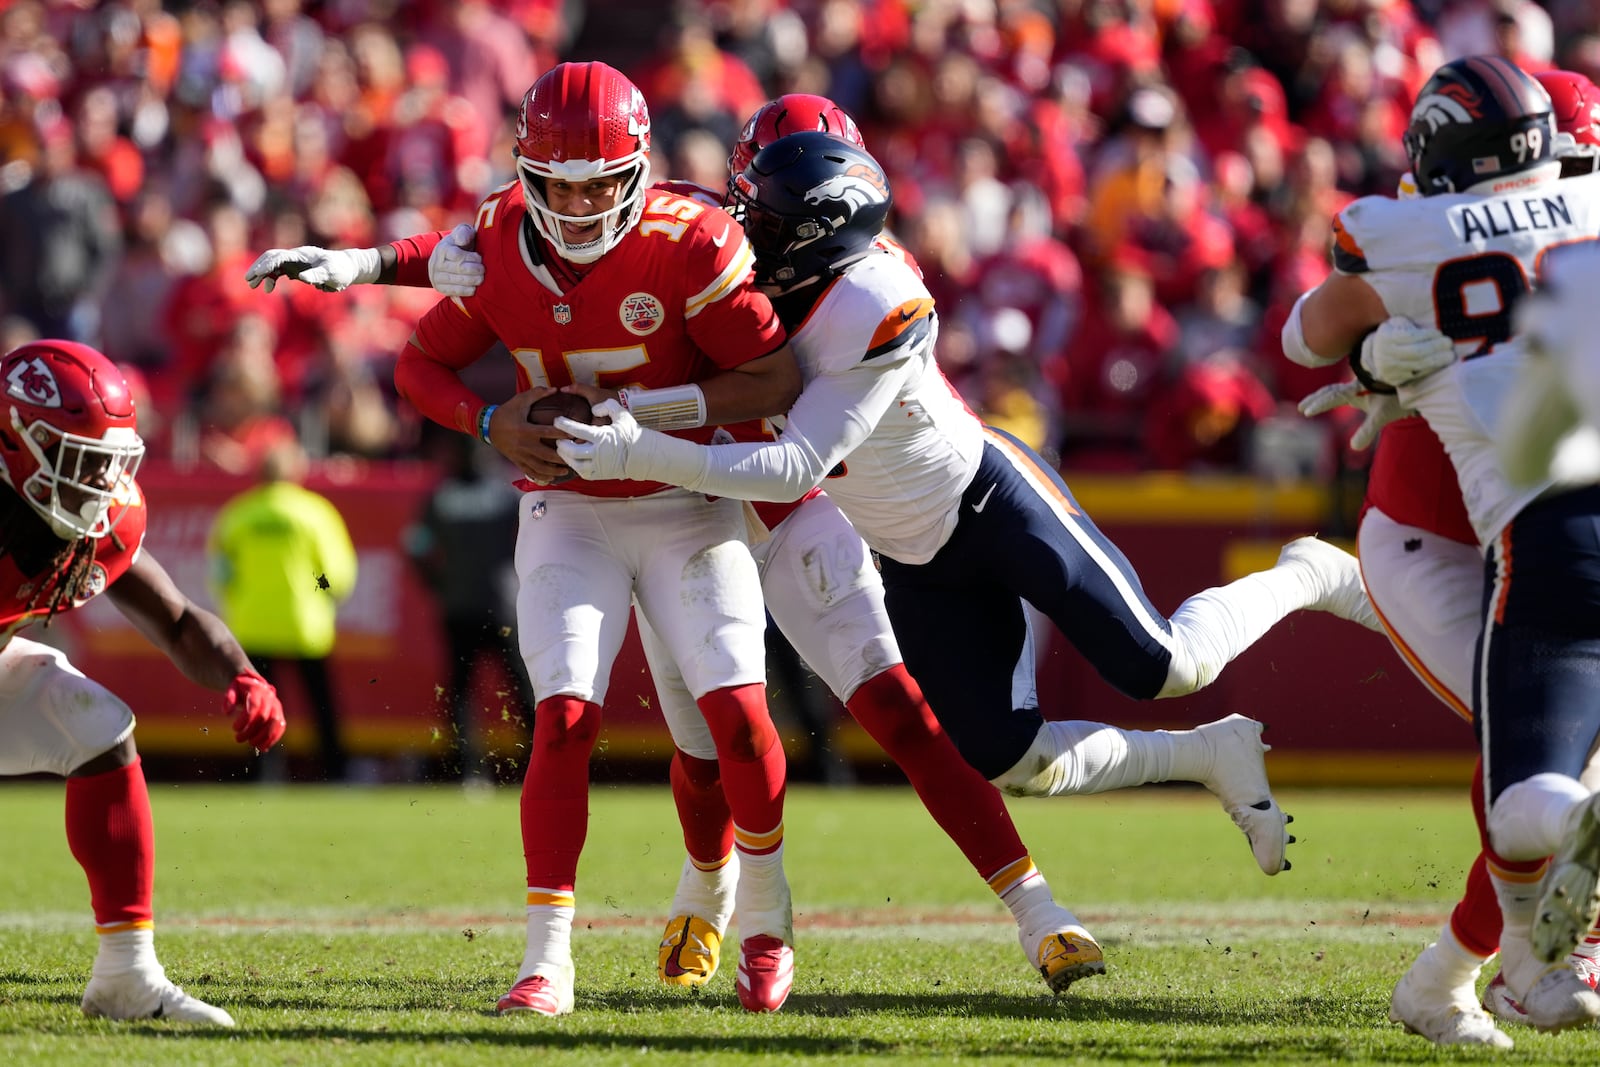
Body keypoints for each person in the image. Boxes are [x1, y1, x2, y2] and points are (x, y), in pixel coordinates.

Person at [246, 92, 1302, 1001]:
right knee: (706, 739)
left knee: (890, 706)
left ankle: (1028, 907)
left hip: (768, 489)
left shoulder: (838, 282)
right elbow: (494, 243)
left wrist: (641, 425)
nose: (751, 221)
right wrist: (371, 261)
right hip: (677, 492)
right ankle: (708, 895)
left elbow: (787, 417)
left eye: (773, 206)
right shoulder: (687, 222)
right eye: (749, 195)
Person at [552, 130, 1384, 946]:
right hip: (913, 560)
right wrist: (457, 252)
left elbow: (794, 463)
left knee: (1165, 664)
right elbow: (623, 208)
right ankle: (1209, 754)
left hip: (988, 503)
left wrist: (642, 446)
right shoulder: (750, 242)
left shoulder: (873, 300)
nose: (742, 233)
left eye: (764, 221)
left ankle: (1306, 573)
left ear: (814, 234)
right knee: (1008, 757)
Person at [394, 61, 802, 1018]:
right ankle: (548, 960)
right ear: (524, 173)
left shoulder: (689, 239)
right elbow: (419, 364)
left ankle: (769, 919)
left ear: (639, 170)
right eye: (557, 182)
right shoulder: (498, 238)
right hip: (567, 505)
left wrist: (650, 417)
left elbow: (773, 375)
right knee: (564, 715)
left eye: (598, 180)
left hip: (683, 495)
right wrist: (491, 424)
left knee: (739, 714)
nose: (576, 202)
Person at [1288, 54, 1600, 1039]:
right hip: (1435, 536)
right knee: (1552, 760)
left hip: (1533, 531)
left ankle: (1443, 981)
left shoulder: (1404, 231)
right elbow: (1323, 330)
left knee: (1546, 768)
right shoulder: (1432, 232)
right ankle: (1532, 962)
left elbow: (1322, 319)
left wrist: (1371, 344)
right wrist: (1372, 358)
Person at [0, 338, 286, 1026]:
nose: (99, 484)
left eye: (106, 462)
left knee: (98, 727)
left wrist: (242, 674)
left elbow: (180, 620)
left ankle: (126, 976)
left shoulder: (98, 524)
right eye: (80, 461)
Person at [207, 436, 356, 782]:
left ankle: (264, 774)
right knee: (321, 706)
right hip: (305, 624)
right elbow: (331, 573)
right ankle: (336, 773)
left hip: (253, 623)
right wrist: (323, 592)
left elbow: (222, 572)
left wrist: (242, 598)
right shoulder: (313, 512)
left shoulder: (240, 513)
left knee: (259, 708)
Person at [403, 424, 532, 783]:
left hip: (459, 607)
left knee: (461, 693)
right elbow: (539, 532)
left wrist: (438, 585)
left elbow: (415, 545)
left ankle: (469, 772)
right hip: (503, 606)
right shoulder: (508, 491)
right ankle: (540, 765)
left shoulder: (442, 495)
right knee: (522, 690)